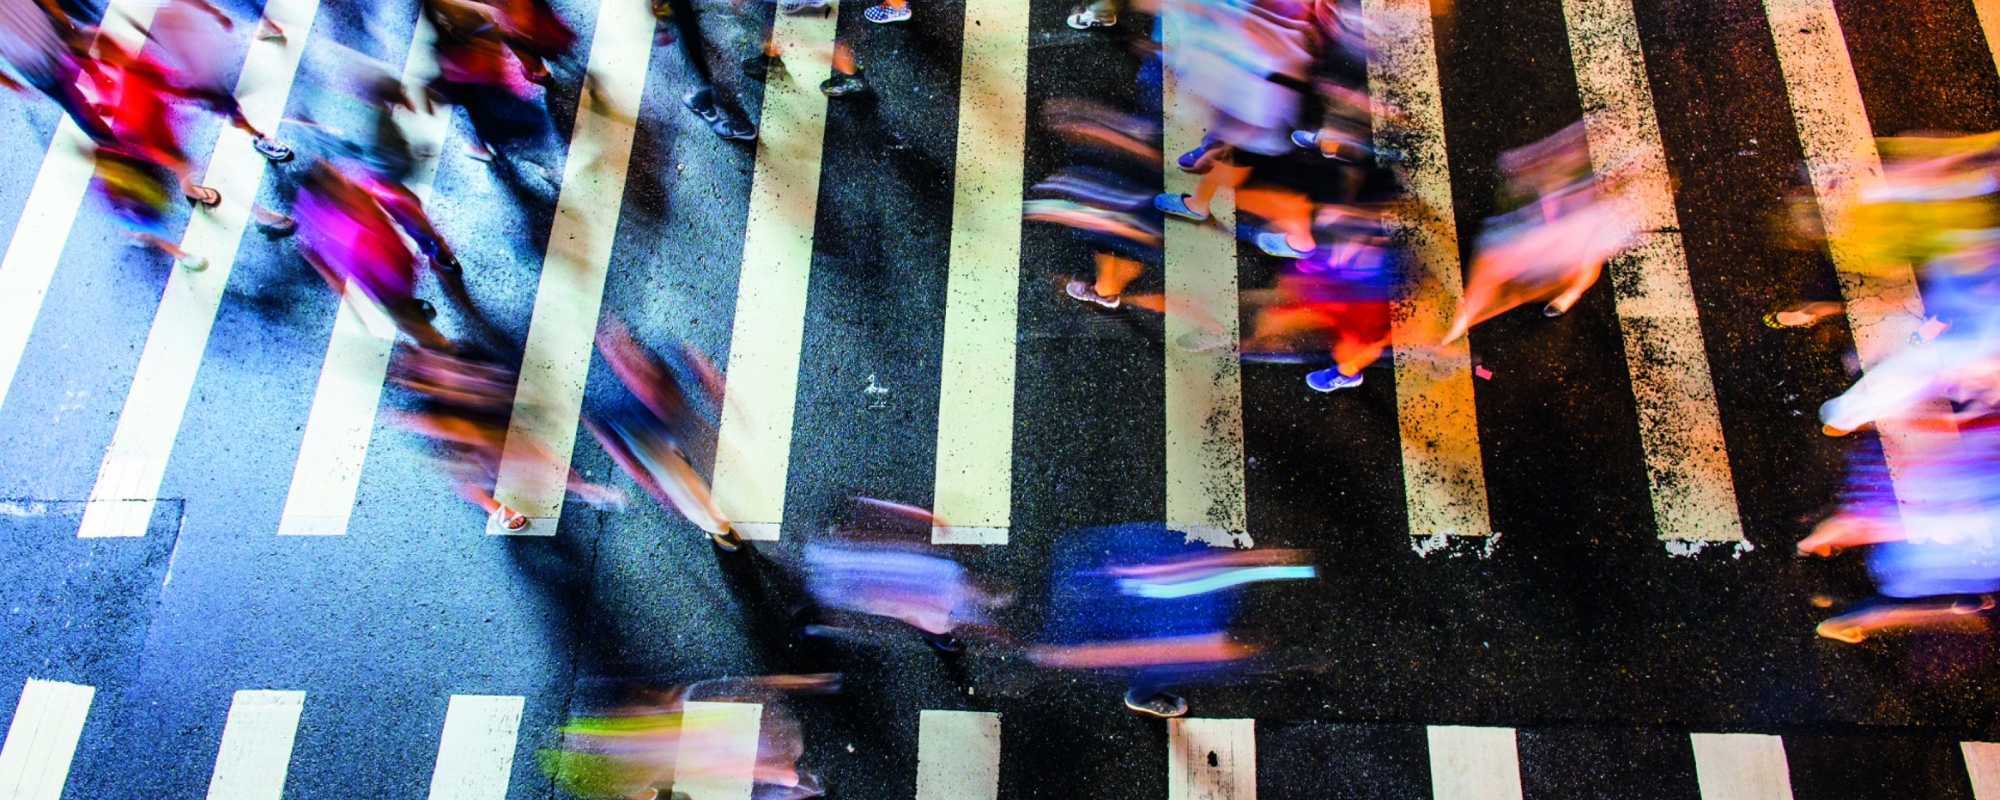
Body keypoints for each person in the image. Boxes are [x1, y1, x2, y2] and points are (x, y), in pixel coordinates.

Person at [1030, 523, 1314, 717]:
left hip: (1143, 609)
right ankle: (1141, 694)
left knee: (1167, 650)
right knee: (1163, 657)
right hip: (1141, 621)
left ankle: (1143, 691)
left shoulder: (1075, 570)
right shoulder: (1065, 633)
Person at [584, 318, 740, 551]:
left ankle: (718, 521)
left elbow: (676, 351)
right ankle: (718, 527)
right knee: (688, 489)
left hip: (666, 410)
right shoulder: (599, 383)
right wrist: (645, 479)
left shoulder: (615, 357)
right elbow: (608, 437)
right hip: (646, 430)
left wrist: (711, 382)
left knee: (703, 461)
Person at [149, 0, 292, 161]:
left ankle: (254, 133)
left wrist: (216, 14)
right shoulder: (163, 15)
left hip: (211, 53)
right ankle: (257, 136)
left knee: (231, 98)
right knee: (229, 105)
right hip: (202, 71)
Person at [0, 0, 112, 141]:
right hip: (47, 36)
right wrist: (59, 15)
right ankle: (99, 81)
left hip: (33, 64)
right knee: (79, 61)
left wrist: (10, 83)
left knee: (73, 103)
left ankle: (108, 142)